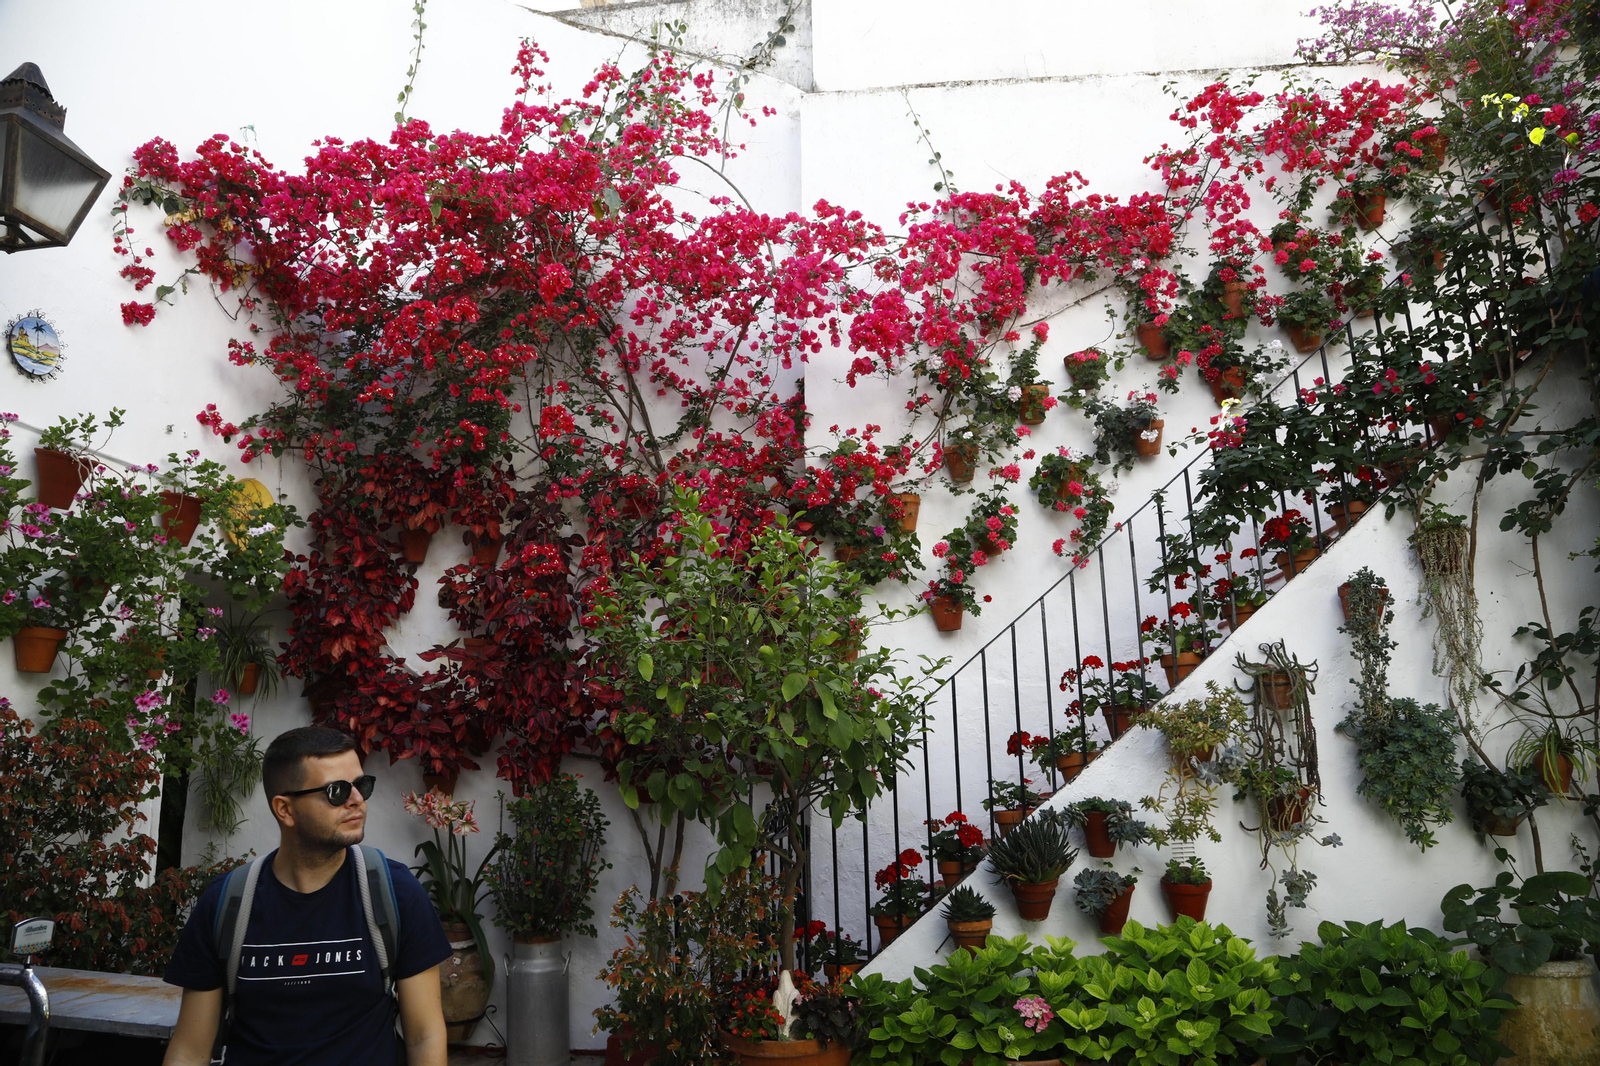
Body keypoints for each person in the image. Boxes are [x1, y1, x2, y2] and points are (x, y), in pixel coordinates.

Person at [162, 727, 452, 1065]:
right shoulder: (226, 904)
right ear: (285, 809)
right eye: (336, 791)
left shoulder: (395, 893)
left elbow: (424, 1035)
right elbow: (190, 1049)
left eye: (361, 785)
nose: (356, 799)